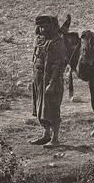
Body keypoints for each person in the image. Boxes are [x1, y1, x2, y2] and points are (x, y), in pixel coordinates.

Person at [31, 14, 73, 146]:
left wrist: (52, 83)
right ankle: (46, 134)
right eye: (41, 26)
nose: (43, 29)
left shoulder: (58, 42)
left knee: (52, 107)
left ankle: (55, 138)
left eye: (46, 26)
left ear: (52, 26)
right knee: (41, 108)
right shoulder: (39, 40)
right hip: (39, 79)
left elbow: (60, 64)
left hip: (51, 80)